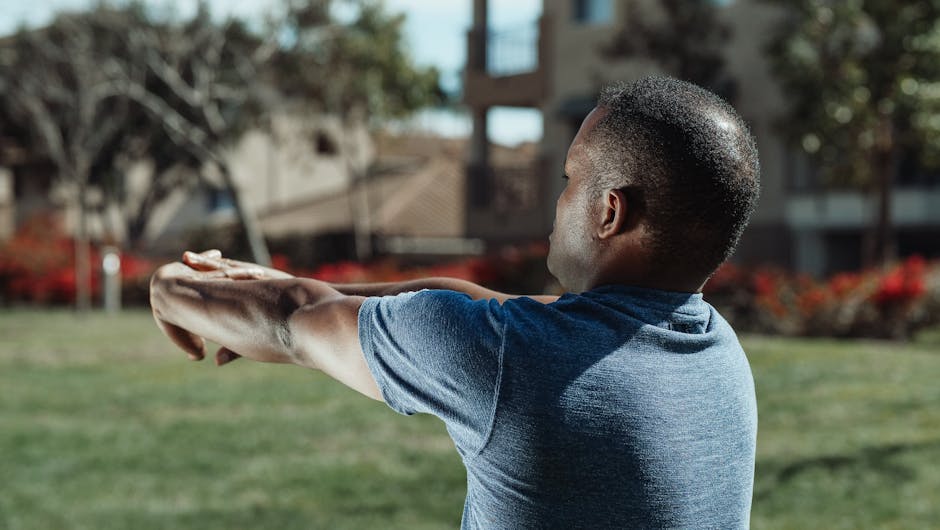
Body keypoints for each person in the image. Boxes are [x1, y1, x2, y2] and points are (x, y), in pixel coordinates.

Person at [150, 76, 760, 528]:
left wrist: (172, 289)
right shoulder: (719, 354)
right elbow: (484, 304)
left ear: (609, 212)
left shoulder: (512, 358)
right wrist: (280, 280)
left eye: (570, 178)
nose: (558, 199)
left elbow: (292, 322)